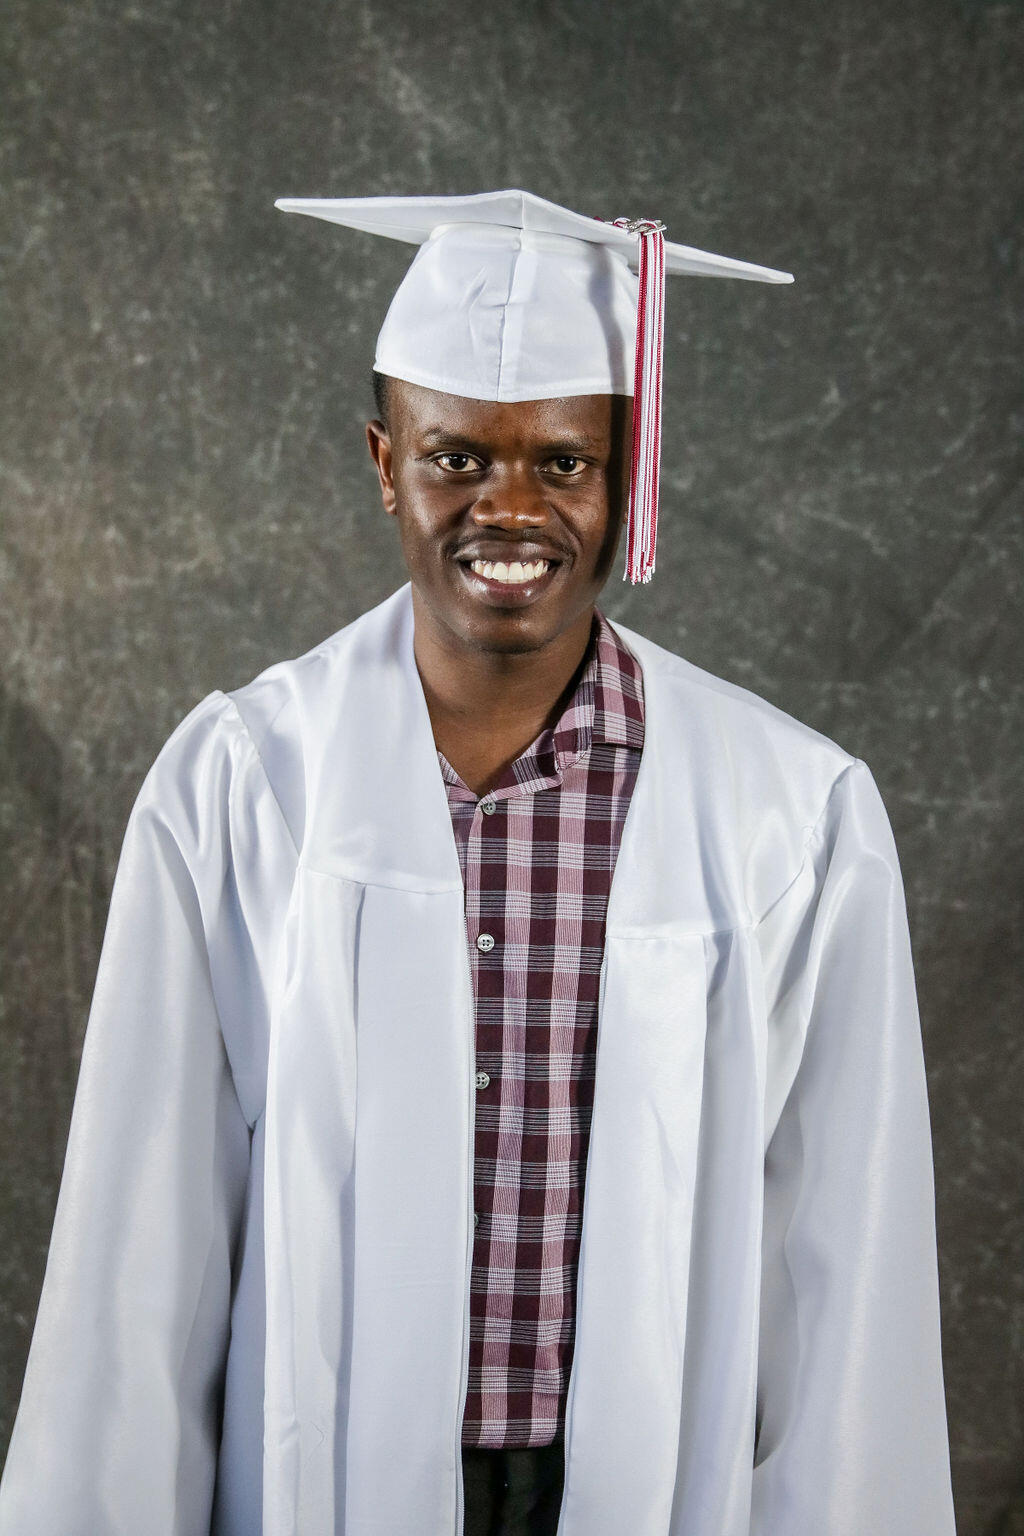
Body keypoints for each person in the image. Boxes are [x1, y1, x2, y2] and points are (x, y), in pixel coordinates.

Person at [0, 190, 957, 1535]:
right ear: (385, 462)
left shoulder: (789, 818)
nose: (510, 507)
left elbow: (844, 1268)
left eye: (562, 461)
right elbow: (140, 1248)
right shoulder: (244, 784)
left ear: (625, 474)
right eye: (457, 456)